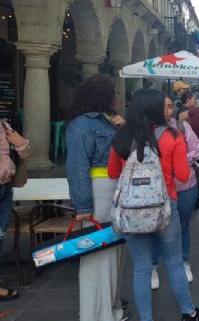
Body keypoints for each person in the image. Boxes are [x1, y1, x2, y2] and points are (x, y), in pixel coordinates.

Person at [108, 89, 199, 321]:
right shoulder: (172, 136)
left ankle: (146, 319)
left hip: (131, 212)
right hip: (165, 208)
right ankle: (189, 312)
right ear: (155, 109)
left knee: (142, 268)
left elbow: (113, 172)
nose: (171, 109)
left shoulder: (121, 137)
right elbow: (184, 176)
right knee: (174, 262)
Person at [66, 74, 127, 321]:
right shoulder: (81, 125)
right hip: (98, 191)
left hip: (115, 190)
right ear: (103, 96)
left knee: (114, 254)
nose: (119, 97)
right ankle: (95, 315)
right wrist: (83, 205)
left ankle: (111, 308)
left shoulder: (111, 122)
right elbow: (77, 167)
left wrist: (125, 129)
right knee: (96, 256)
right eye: (114, 92)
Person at [150, 97, 199, 290]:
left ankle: (184, 262)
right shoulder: (146, 129)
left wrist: (179, 159)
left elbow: (196, 149)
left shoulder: (181, 127)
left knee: (183, 226)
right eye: (163, 107)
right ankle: (153, 267)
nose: (167, 111)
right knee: (155, 229)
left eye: (170, 107)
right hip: (157, 189)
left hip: (185, 185)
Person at [0, 119, 29, 301]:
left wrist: (20, 143)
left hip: (5, 186)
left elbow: (24, 152)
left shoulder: (2, 124)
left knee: (1, 235)